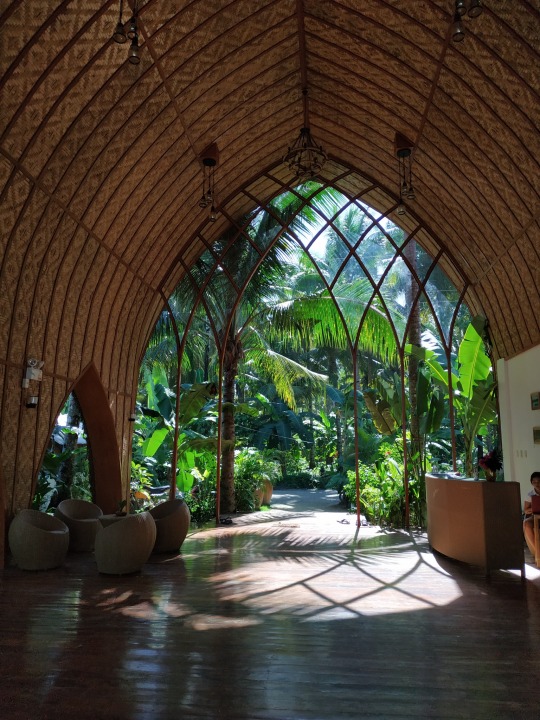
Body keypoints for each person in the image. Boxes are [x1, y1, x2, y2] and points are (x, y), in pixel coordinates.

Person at [523, 471, 540, 557]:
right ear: (531, 482)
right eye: (534, 482)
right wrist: (533, 508)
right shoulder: (530, 494)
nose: (537, 484)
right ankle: (537, 553)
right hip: (535, 516)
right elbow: (525, 510)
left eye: (539, 481)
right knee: (526, 524)